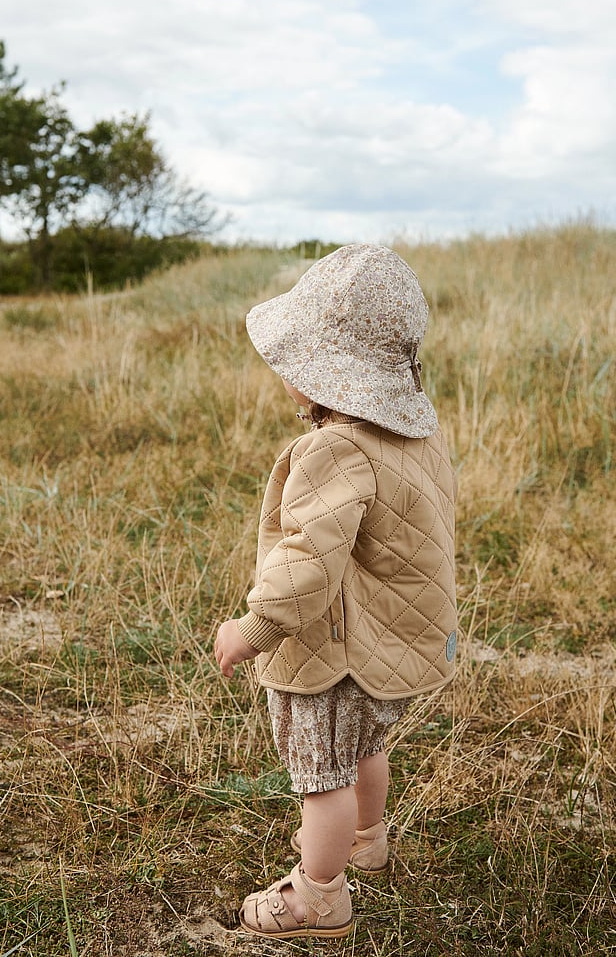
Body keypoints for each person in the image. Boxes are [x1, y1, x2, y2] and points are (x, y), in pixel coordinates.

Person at [214, 243, 457, 939]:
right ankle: (368, 839)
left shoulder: (335, 449)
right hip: (390, 647)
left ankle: (318, 897)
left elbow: (308, 561)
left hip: (336, 656)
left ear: (325, 374)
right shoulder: (415, 435)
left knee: (322, 779)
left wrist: (255, 628)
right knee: (364, 748)